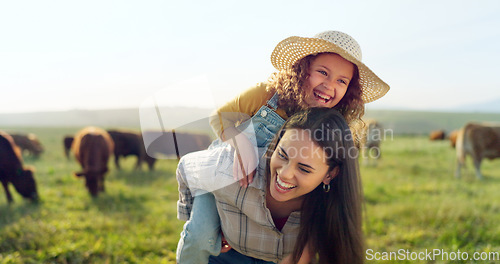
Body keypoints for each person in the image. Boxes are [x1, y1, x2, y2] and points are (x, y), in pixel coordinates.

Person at [176, 30, 389, 263]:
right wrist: (241, 142)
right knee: (200, 236)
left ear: (349, 90)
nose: (329, 85)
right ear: (303, 68)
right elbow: (220, 117)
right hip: (224, 176)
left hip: (264, 200)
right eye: (322, 73)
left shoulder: (334, 127)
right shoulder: (268, 94)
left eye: (341, 81)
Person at [177, 108, 364, 263]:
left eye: (304, 169)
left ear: (330, 174)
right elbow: (186, 168)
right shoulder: (232, 170)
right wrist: (200, 223)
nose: (284, 174)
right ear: (276, 144)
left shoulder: (330, 207)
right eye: (282, 155)